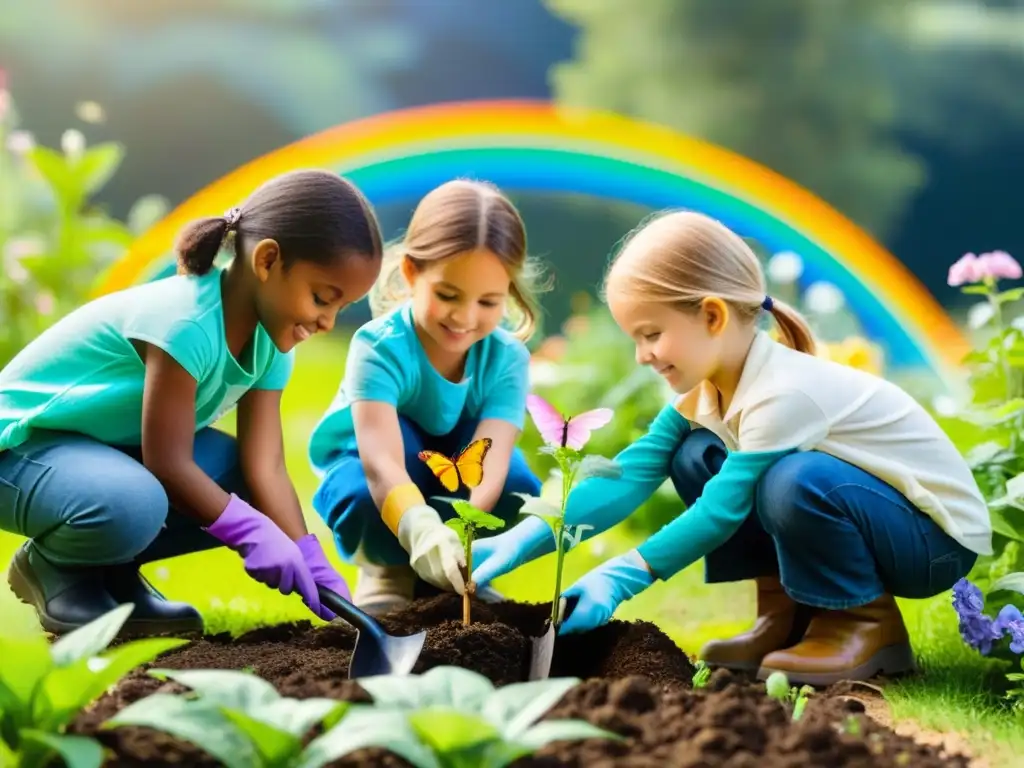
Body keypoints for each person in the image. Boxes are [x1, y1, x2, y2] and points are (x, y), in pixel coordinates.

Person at [471, 211, 991, 686]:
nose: (641, 355)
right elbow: (629, 475)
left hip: (930, 540)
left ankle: (862, 624)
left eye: (651, 333)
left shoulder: (782, 392)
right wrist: (528, 537)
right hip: (880, 519)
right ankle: (786, 616)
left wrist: (620, 576)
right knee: (695, 455)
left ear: (713, 317)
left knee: (791, 481)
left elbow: (721, 512)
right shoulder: (708, 392)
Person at [1, 169, 384, 636]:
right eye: (323, 298)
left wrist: (305, 551)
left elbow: (266, 467)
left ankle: (113, 575)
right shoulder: (185, 322)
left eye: (340, 309)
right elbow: (168, 463)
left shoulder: (271, 341)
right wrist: (249, 533)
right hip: (20, 449)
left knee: (242, 480)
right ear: (267, 261)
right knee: (135, 502)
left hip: (90, 453)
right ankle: (56, 568)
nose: (327, 322)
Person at [308, 179, 545, 616]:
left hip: (457, 470)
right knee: (360, 492)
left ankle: (463, 572)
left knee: (518, 487)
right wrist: (420, 528)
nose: (465, 317)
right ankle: (386, 568)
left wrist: (464, 535)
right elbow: (382, 464)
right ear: (413, 272)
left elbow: (491, 462)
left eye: (489, 302)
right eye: (448, 295)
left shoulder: (507, 357)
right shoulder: (380, 348)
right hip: (377, 470)